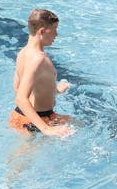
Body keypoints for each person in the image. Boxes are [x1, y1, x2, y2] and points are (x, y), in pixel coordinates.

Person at [8, 8, 74, 137]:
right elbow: (21, 98)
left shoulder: (23, 53)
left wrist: (55, 90)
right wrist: (46, 129)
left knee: (80, 124)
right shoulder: (38, 59)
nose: (56, 35)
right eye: (54, 30)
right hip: (35, 121)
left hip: (21, 116)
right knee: (23, 156)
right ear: (42, 31)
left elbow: (18, 87)